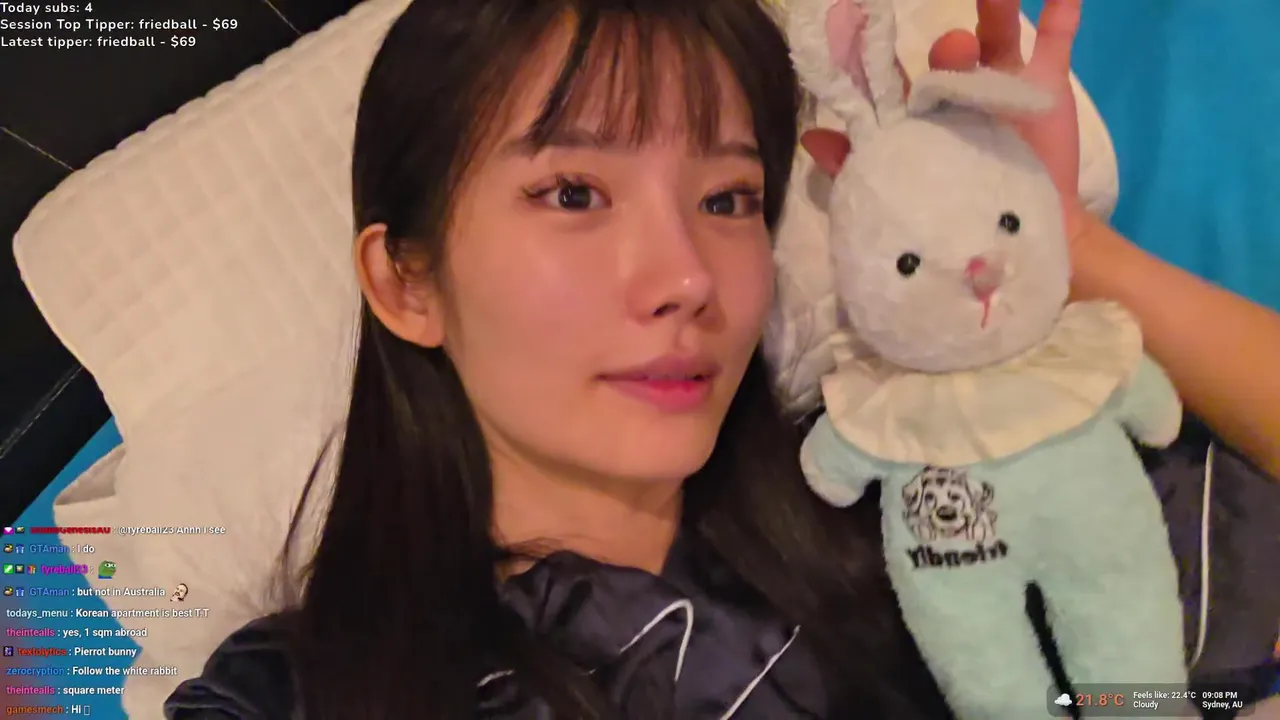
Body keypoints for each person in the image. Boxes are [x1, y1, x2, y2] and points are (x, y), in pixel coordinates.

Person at [162, 0, 1277, 718]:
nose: (687, 277)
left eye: (728, 198)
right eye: (573, 193)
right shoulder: (302, 692)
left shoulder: (905, 496)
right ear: (407, 281)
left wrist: (1065, 248)